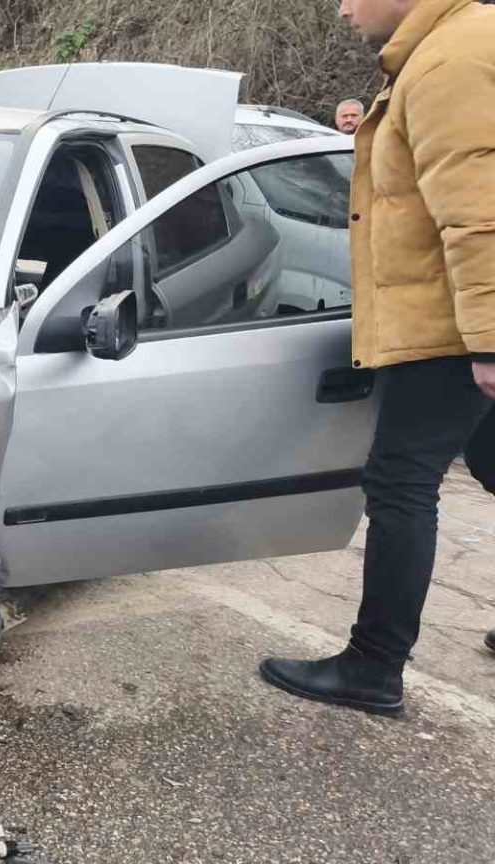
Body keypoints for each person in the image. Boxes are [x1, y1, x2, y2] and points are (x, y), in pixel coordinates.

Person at [261, 0, 495, 714]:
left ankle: (373, 665)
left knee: (401, 481)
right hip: (455, 317)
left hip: (450, 327)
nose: (342, 9)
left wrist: (489, 339)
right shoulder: (450, 49)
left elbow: (479, 214)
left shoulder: (450, 60)